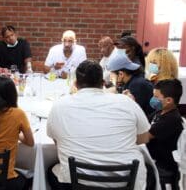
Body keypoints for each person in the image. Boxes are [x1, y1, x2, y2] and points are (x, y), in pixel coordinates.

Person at [47, 60, 150, 190]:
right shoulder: (126, 102)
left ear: (75, 84)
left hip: (79, 182)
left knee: (51, 171)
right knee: (149, 172)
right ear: (103, 84)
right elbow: (144, 138)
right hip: (125, 180)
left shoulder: (59, 105)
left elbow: (58, 143)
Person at [146, 79, 183, 190]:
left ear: (169, 100)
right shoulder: (159, 112)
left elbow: (144, 137)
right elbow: (143, 122)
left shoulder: (171, 119)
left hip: (164, 169)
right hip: (154, 163)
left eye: (156, 97)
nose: (153, 99)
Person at [107, 49, 154, 116]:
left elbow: (130, 113)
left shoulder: (136, 85)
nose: (111, 78)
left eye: (112, 75)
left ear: (121, 74)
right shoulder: (134, 81)